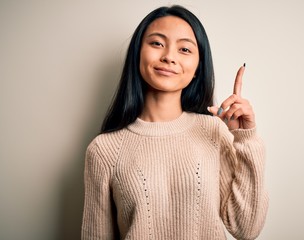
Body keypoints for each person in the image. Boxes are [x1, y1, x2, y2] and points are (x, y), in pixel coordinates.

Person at [81, 5, 268, 240]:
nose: (169, 56)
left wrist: (247, 137)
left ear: (198, 67)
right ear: (137, 53)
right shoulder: (103, 151)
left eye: (184, 49)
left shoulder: (212, 132)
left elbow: (245, 229)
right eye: (157, 43)